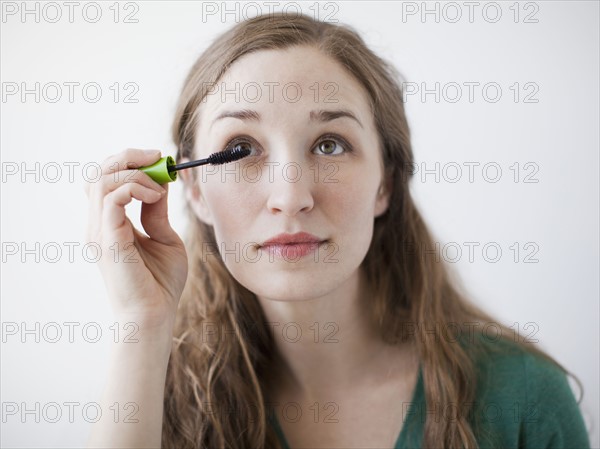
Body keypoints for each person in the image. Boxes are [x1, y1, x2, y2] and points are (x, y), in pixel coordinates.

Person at [85, 13, 590, 449]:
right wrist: (141, 325)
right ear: (193, 190)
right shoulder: (152, 396)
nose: (291, 196)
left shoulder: (523, 399)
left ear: (385, 185)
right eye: (241, 148)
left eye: (330, 145)